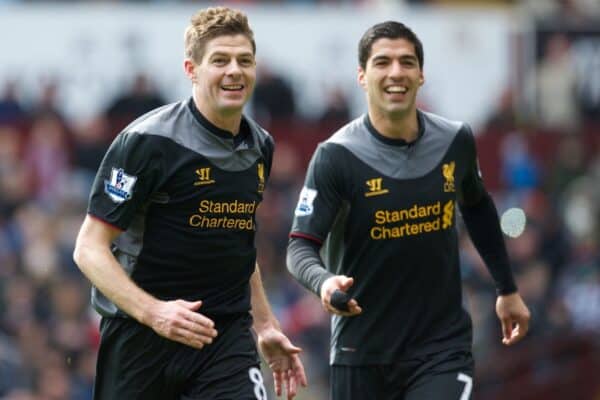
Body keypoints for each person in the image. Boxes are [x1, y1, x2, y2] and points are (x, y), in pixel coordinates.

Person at [286, 21, 530, 400]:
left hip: (441, 348)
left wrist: (507, 289)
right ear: (362, 76)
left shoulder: (455, 140)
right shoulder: (335, 157)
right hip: (361, 352)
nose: (396, 72)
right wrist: (323, 281)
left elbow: (478, 207)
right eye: (383, 62)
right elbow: (299, 247)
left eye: (407, 62)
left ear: (421, 75)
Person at [73, 7, 307, 400]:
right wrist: (155, 313)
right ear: (191, 69)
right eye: (220, 60)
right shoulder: (148, 142)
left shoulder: (260, 146)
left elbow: (238, 242)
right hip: (141, 338)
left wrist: (265, 324)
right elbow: (88, 248)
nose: (234, 70)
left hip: (224, 337)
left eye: (244, 60)